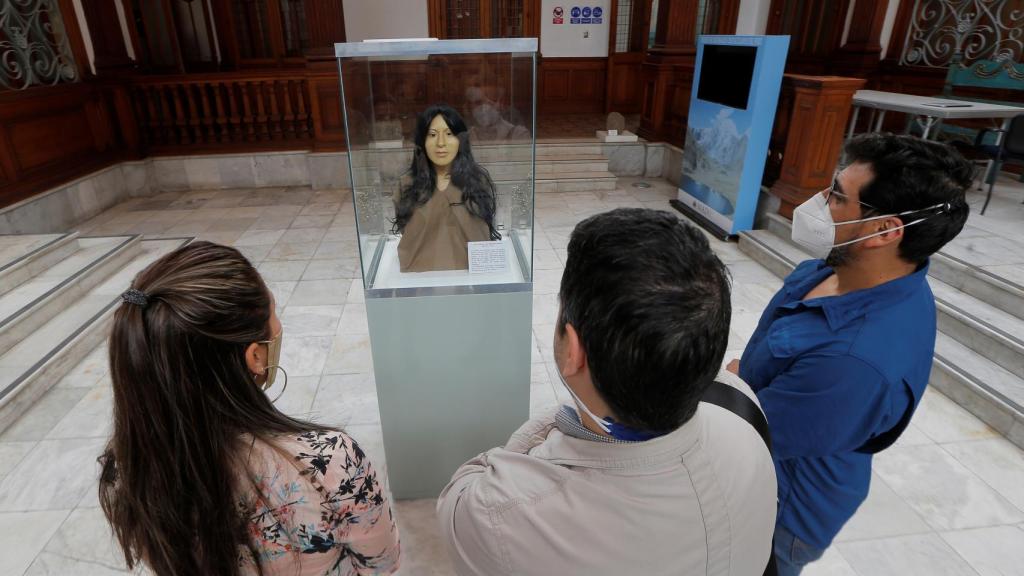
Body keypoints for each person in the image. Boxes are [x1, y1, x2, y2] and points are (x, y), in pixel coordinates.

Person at [437, 208, 778, 575]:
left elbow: (465, 489)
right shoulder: (744, 416)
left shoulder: (500, 514)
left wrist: (564, 419)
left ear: (573, 350)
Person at [728, 133, 972, 574]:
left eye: (838, 197)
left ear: (884, 231)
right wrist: (739, 377)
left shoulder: (854, 361)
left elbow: (748, 435)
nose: (820, 203)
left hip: (781, 511)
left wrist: (726, 388)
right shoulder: (834, 269)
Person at [98, 242, 400, 576]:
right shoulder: (329, 462)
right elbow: (382, 563)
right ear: (256, 356)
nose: (278, 324)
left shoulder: (127, 468)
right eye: (274, 312)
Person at [393, 104, 500, 272]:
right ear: (422, 141)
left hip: (471, 274)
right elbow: (404, 227)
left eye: (449, 134)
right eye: (433, 135)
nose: (441, 143)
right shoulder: (407, 184)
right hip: (419, 274)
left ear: (461, 140)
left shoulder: (478, 182)